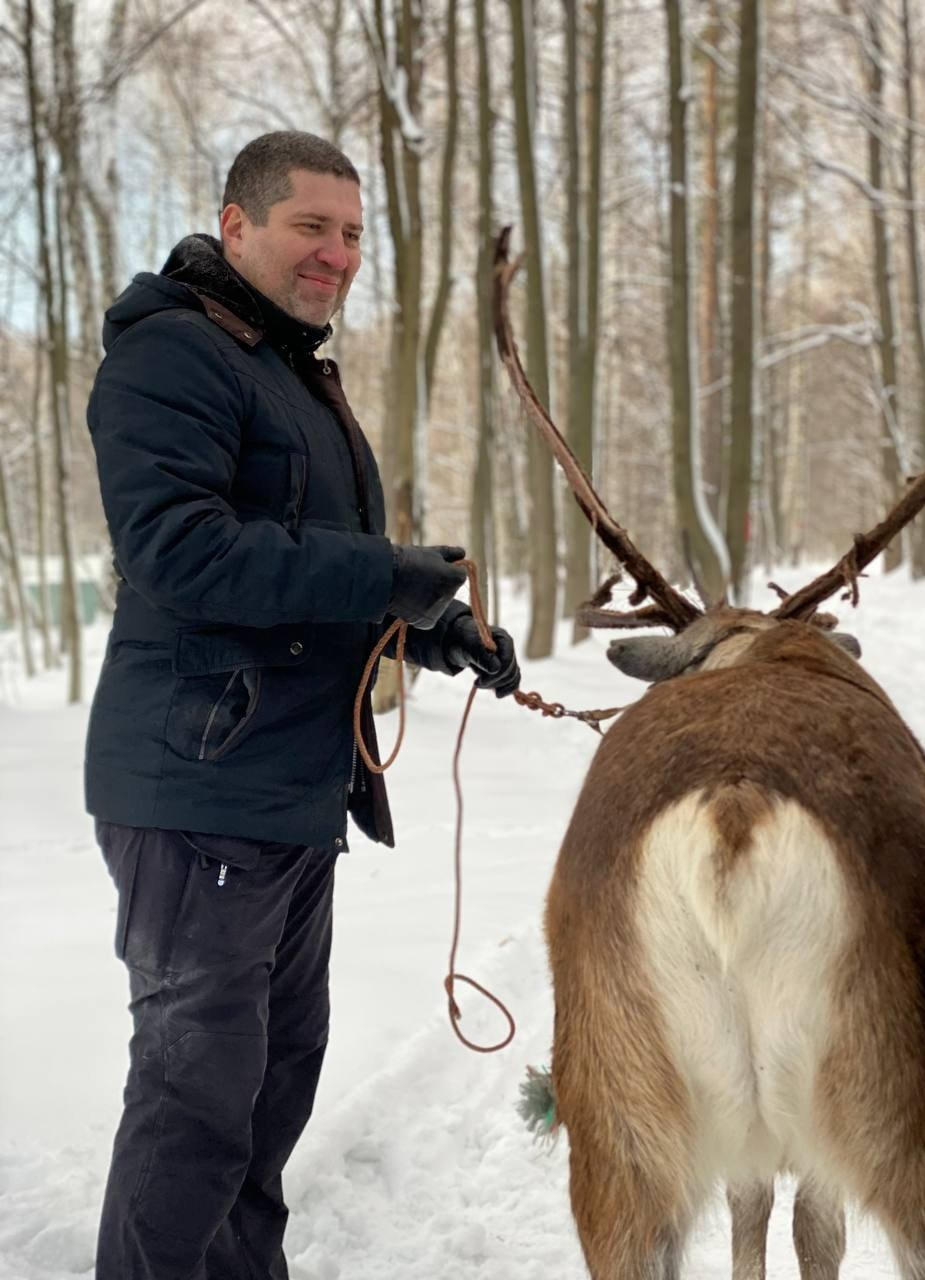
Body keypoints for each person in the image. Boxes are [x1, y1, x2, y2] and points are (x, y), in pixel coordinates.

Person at [85, 130, 521, 1280]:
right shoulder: (172, 356)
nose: (335, 254)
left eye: (351, 234)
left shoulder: (284, 365)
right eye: (309, 228)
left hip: (283, 787)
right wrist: (387, 574)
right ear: (237, 226)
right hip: (198, 788)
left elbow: (302, 559)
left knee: (270, 1088)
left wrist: (436, 629)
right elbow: (183, 553)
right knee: (195, 1104)